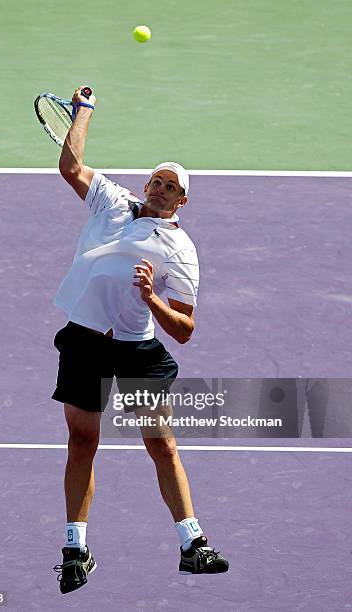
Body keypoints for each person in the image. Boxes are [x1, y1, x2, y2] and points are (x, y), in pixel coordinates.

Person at [51, 86, 229, 594]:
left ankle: (193, 544)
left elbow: (186, 330)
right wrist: (84, 113)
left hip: (135, 347)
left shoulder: (181, 250)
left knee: (161, 444)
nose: (160, 187)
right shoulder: (112, 200)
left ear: (182, 201)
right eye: (156, 179)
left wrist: (153, 300)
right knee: (82, 441)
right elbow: (71, 167)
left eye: (171, 186)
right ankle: (75, 548)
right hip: (84, 342)